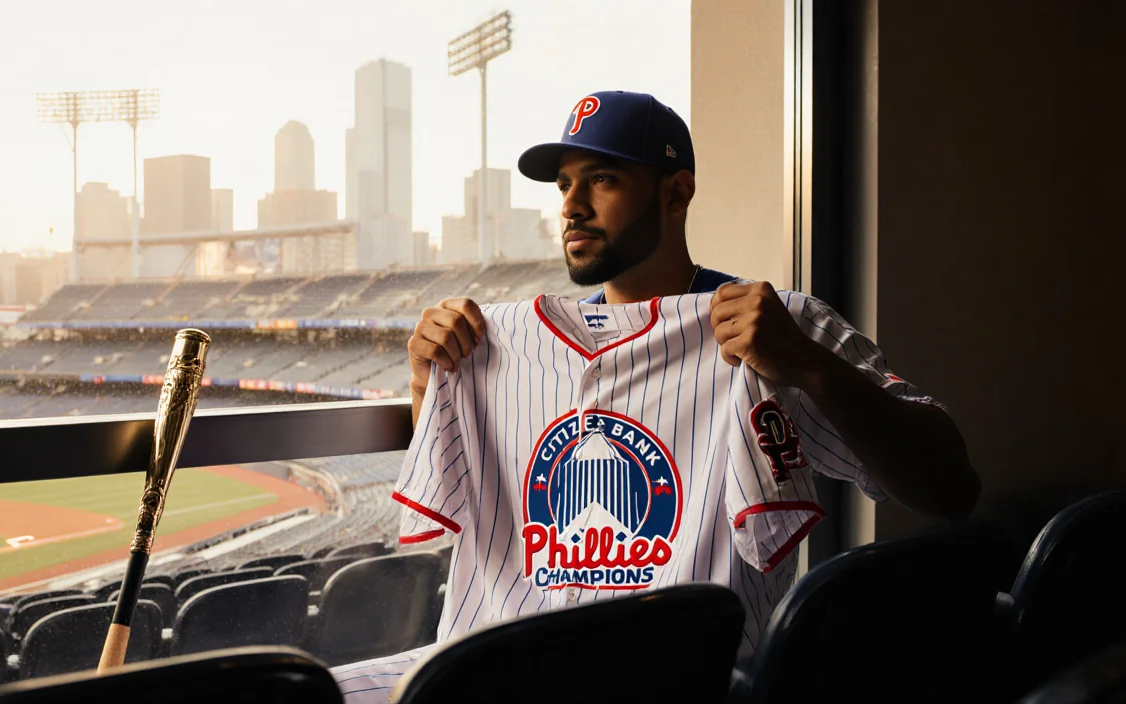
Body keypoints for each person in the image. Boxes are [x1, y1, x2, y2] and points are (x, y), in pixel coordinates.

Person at [333, 90, 980, 702]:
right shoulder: (499, 344)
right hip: (498, 676)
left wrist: (809, 364)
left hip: (679, 682)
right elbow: (462, 491)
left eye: (602, 180)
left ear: (678, 192)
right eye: (564, 184)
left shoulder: (778, 326)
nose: (571, 205)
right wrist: (430, 380)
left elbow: (951, 488)